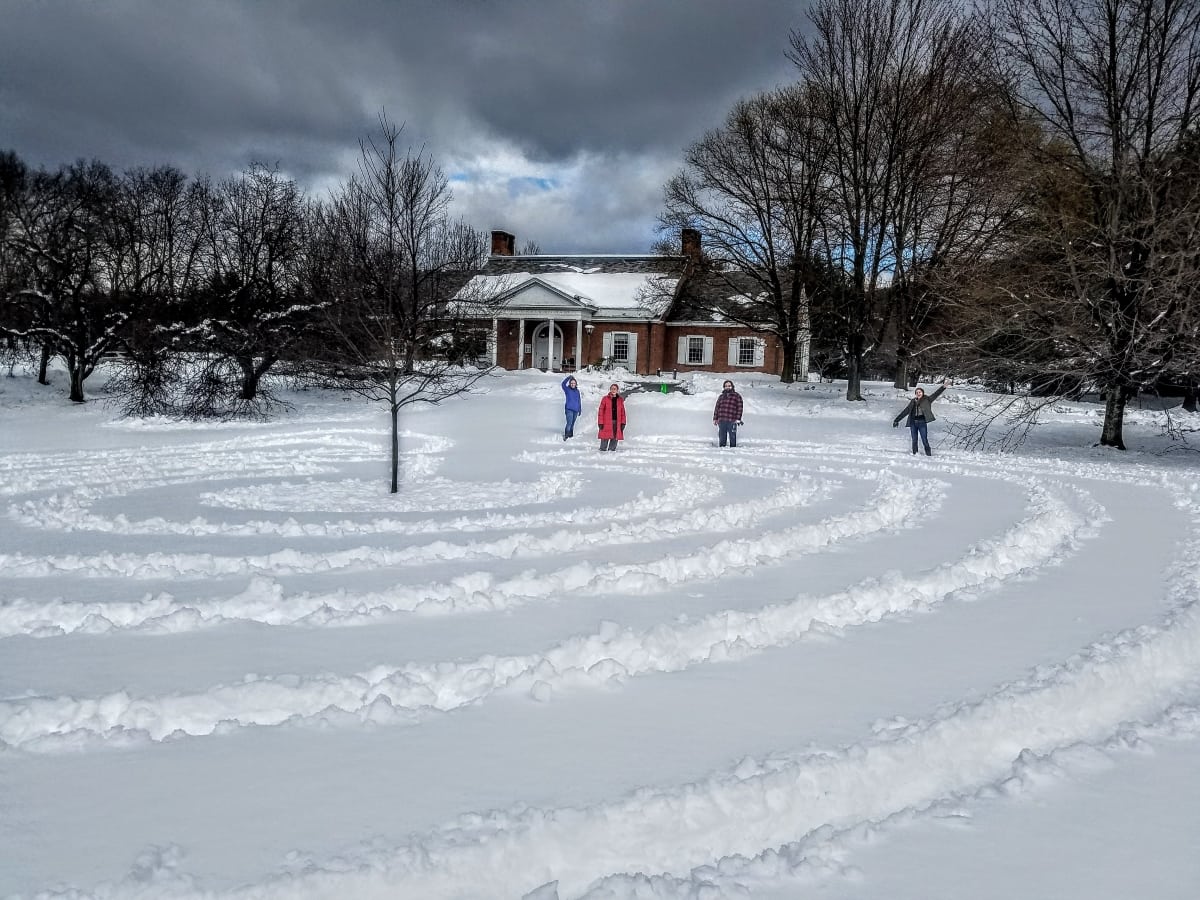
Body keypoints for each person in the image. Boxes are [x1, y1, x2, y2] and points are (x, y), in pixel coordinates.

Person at [893, 379, 950, 455]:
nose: (918, 393)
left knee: (924, 439)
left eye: (920, 392)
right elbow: (906, 411)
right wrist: (897, 420)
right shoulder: (913, 401)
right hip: (913, 423)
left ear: (922, 393)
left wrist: (943, 387)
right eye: (917, 392)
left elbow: (936, 394)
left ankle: (928, 454)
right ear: (915, 394)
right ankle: (915, 454)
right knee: (914, 440)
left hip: (922, 423)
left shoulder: (927, 400)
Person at [713, 379, 744, 448]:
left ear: (732, 387)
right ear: (724, 387)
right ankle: (722, 448)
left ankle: (733, 449)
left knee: (732, 436)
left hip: (732, 420)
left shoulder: (737, 396)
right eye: (726, 386)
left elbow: (740, 408)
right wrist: (715, 418)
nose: (728, 387)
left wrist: (738, 419)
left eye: (729, 386)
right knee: (722, 435)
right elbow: (717, 408)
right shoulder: (721, 397)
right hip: (721, 419)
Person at [597, 382, 626, 451]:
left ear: (617, 390)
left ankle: (612, 450)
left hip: (617, 421)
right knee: (605, 436)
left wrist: (623, 423)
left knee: (615, 436)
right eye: (612, 389)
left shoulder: (620, 400)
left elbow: (623, 412)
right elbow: (600, 411)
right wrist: (600, 422)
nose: (613, 390)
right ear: (610, 390)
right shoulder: (605, 399)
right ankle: (602, 450)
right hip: (607, 421)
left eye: (615, 389)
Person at [561, 375, 581, 440]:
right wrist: (568, 378)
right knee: (569, 423)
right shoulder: (567, 390)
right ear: (570, 384)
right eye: (571, 383)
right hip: (569, 409)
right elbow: (563, 384)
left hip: (576, 410)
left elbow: (579, 400)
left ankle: (571, 435)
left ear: (576, 384)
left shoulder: (577, 391)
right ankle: (566, 436)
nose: (573, 384)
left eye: (574, 383)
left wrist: (579, 409)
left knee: (572, 423)